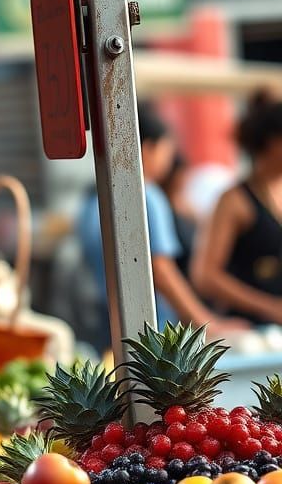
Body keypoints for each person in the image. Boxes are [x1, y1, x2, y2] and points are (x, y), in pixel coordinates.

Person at [77, 104, 243, 349]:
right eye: (167, 150)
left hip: (106, 325)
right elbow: (162, 270)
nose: (169, 160)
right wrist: (208, 323)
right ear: (148, 148)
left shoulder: (92, 201)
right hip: (153, 332)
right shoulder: (148, 195)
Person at [191, 92, 282, 325]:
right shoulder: (235, 200)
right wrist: (269, 307)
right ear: (274, 143)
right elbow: (205, 275)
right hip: (250, 330)